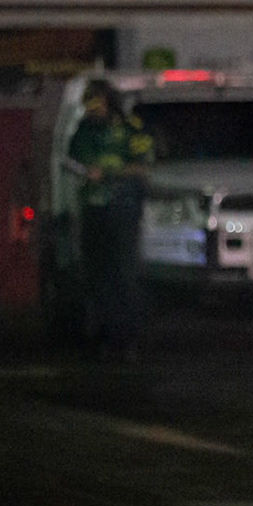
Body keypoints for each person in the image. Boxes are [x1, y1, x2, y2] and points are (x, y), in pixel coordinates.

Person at [66, 79, 154, 358]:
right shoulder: (84, 129)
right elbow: (72, 159)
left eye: (96, 104)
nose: (92, 111)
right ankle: (103, 336)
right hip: (93, 209)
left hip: (123, 210)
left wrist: (107, 174)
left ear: (108, 102)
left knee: (124, 274)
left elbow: (143, 167)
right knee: (97, 274)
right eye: (88, 105)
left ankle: (127, 339)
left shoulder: (131, 129)